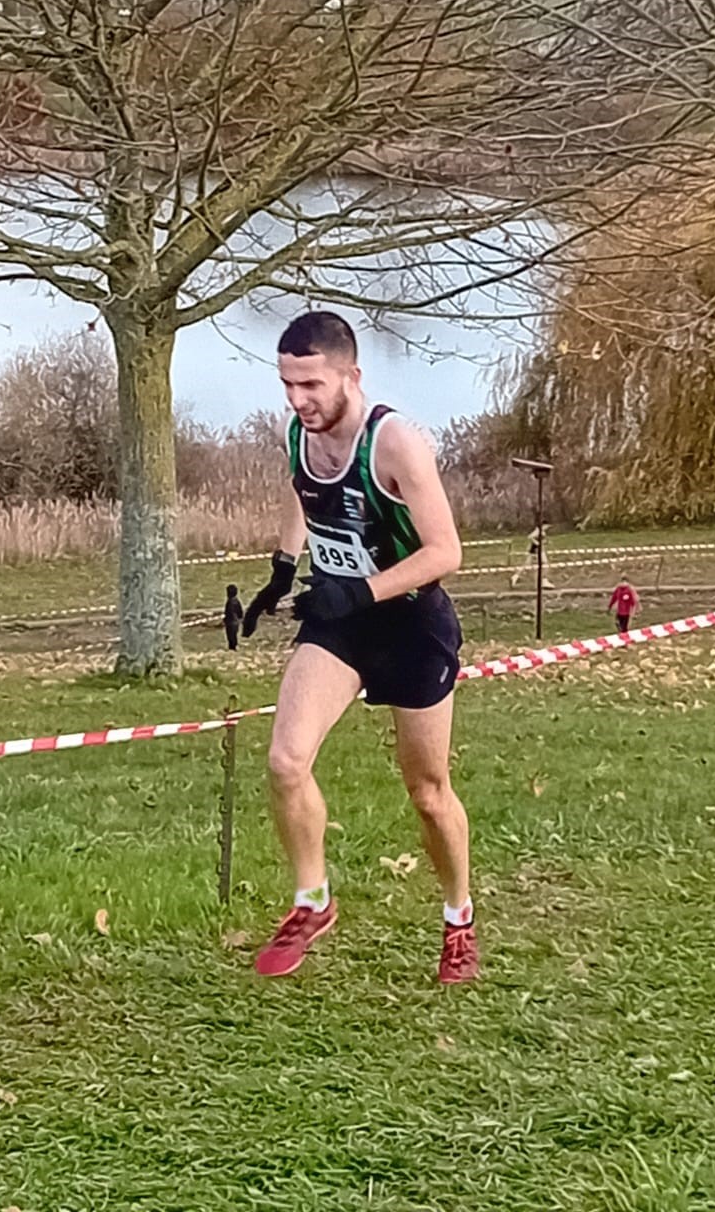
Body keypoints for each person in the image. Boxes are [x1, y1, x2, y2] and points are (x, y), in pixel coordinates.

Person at [242, 310, 477, 984]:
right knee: (286, 761)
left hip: (411, 626)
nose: (297, 400)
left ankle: (458, 917)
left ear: (352, 375)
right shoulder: (299, 431)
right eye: (287, 384)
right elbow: (301, 488)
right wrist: (283, 566)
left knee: (428, 793)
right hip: (339, 626)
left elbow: (446, 552)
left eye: (311, 385)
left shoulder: (394, 443)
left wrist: (361, 592)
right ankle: (312, 901)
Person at [510, 523, 554, 589]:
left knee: (527, 565)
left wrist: (545, 542)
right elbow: (530, 537)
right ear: (543, 525)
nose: (547, 528)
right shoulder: (538, 531)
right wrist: (537, 543)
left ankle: (515, 577)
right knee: (545, 565)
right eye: (547, 526)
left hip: (535, 550)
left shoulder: (541, 531)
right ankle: (544, 581)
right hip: (537, 551)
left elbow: (540, 540)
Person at [223, 584, 244, 651]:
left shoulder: (229, 602)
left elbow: (228, 612)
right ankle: (234, 649)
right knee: (234, 638)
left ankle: (232, 650)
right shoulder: (237, 601)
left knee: (230, 639)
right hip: (236, 623)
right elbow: (240, 612)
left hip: (230, 623)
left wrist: (225, 620)